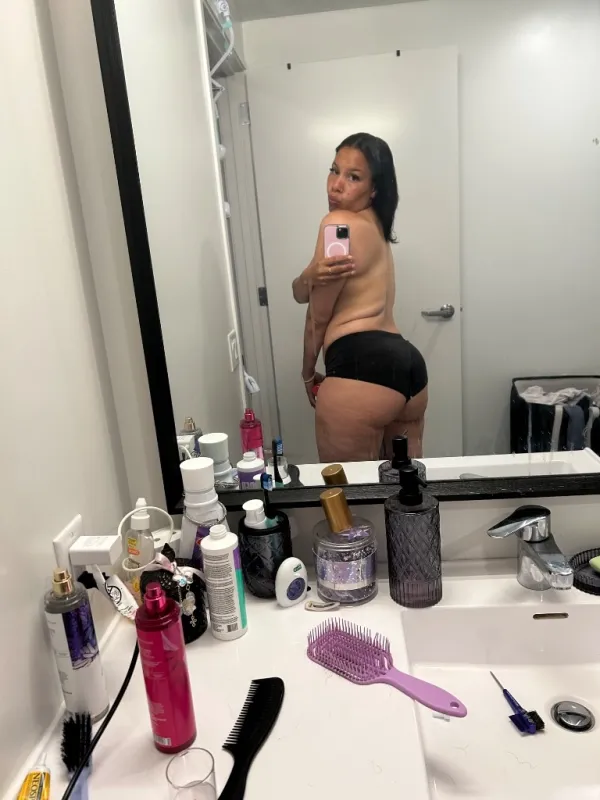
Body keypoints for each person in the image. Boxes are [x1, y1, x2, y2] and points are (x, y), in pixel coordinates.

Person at [292, 132, 428, 462]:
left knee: (348, 491)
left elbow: (317, 315)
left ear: (374, 188)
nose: (335, 186)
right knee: (406, 488)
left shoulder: (337, 226)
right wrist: (309, 275)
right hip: (409, 369)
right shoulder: (377, 229)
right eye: (334, 170)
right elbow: (302, 291)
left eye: (353, 177)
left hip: (360, 369)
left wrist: (308, 372)